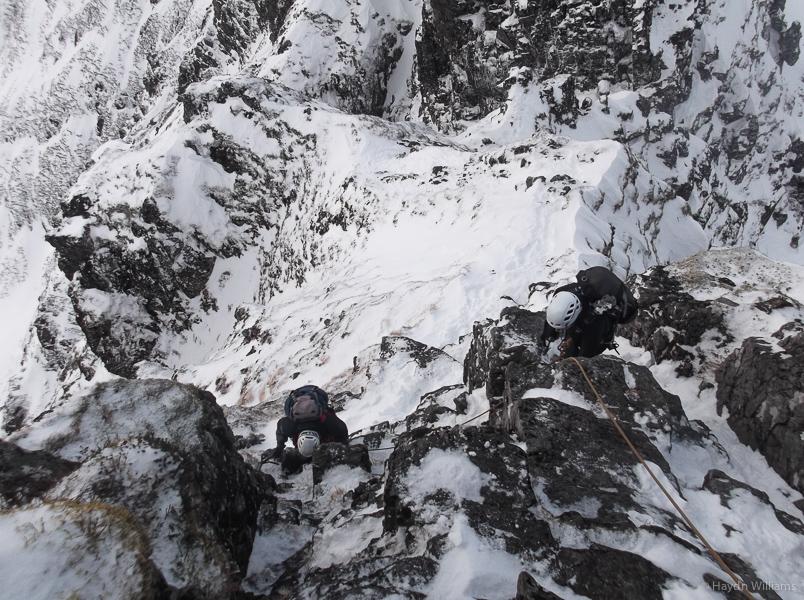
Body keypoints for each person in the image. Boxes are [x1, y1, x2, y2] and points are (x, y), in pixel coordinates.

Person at [540, 266, 638, 359]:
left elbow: (585, 358)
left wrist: (570, 363)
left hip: (597, 335)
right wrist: (548, 335)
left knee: (576, 348)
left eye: (562, 327)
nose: (558, 330)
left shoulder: (594, 324)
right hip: (581, 320)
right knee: (573, 337)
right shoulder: (562, 292)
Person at [262, 385, 348, 473]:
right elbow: (342, 432)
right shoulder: (327, 422)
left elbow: (281, 427)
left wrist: (279, 447)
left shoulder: (291, 426)